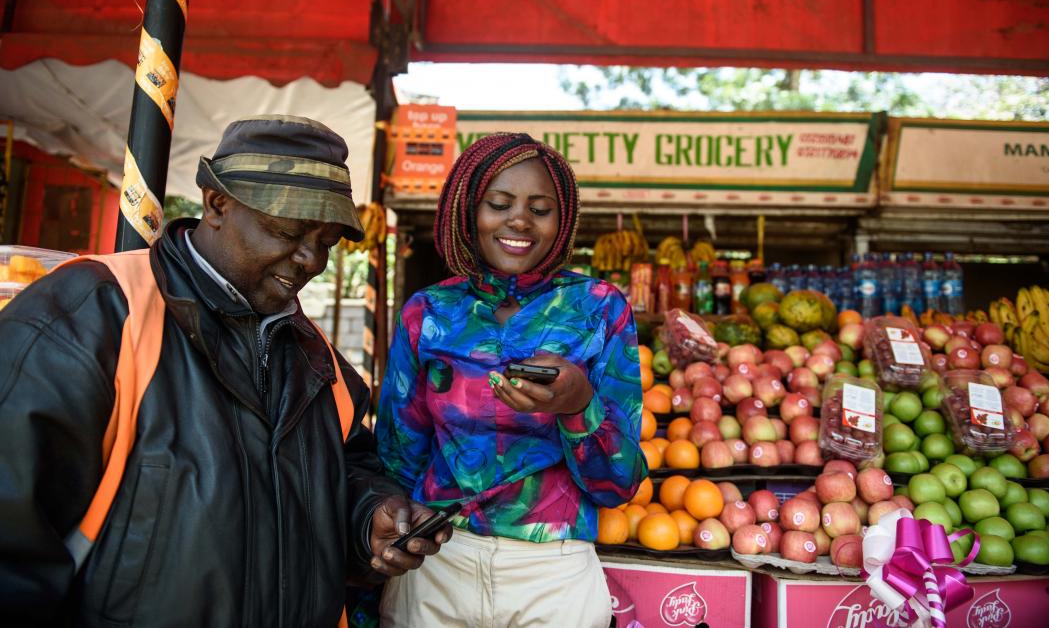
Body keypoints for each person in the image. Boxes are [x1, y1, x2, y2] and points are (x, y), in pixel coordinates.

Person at [0, 115, 448, 627]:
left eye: (326, 241)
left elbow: (342, 475)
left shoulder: (322, 364)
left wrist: (370, 518)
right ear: (216, 203)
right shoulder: (91, 314)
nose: (310, 258)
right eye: (288, 230)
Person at [376, 132, 646, 627]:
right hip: (439, 561)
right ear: (467, 212)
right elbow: (397, 454)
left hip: (554, 571)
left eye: (540, 209)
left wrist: (578, 403)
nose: (519, 220)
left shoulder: (600, 308)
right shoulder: (429, 313)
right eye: (498, 204)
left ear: (562, 221)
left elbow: (620, 484)